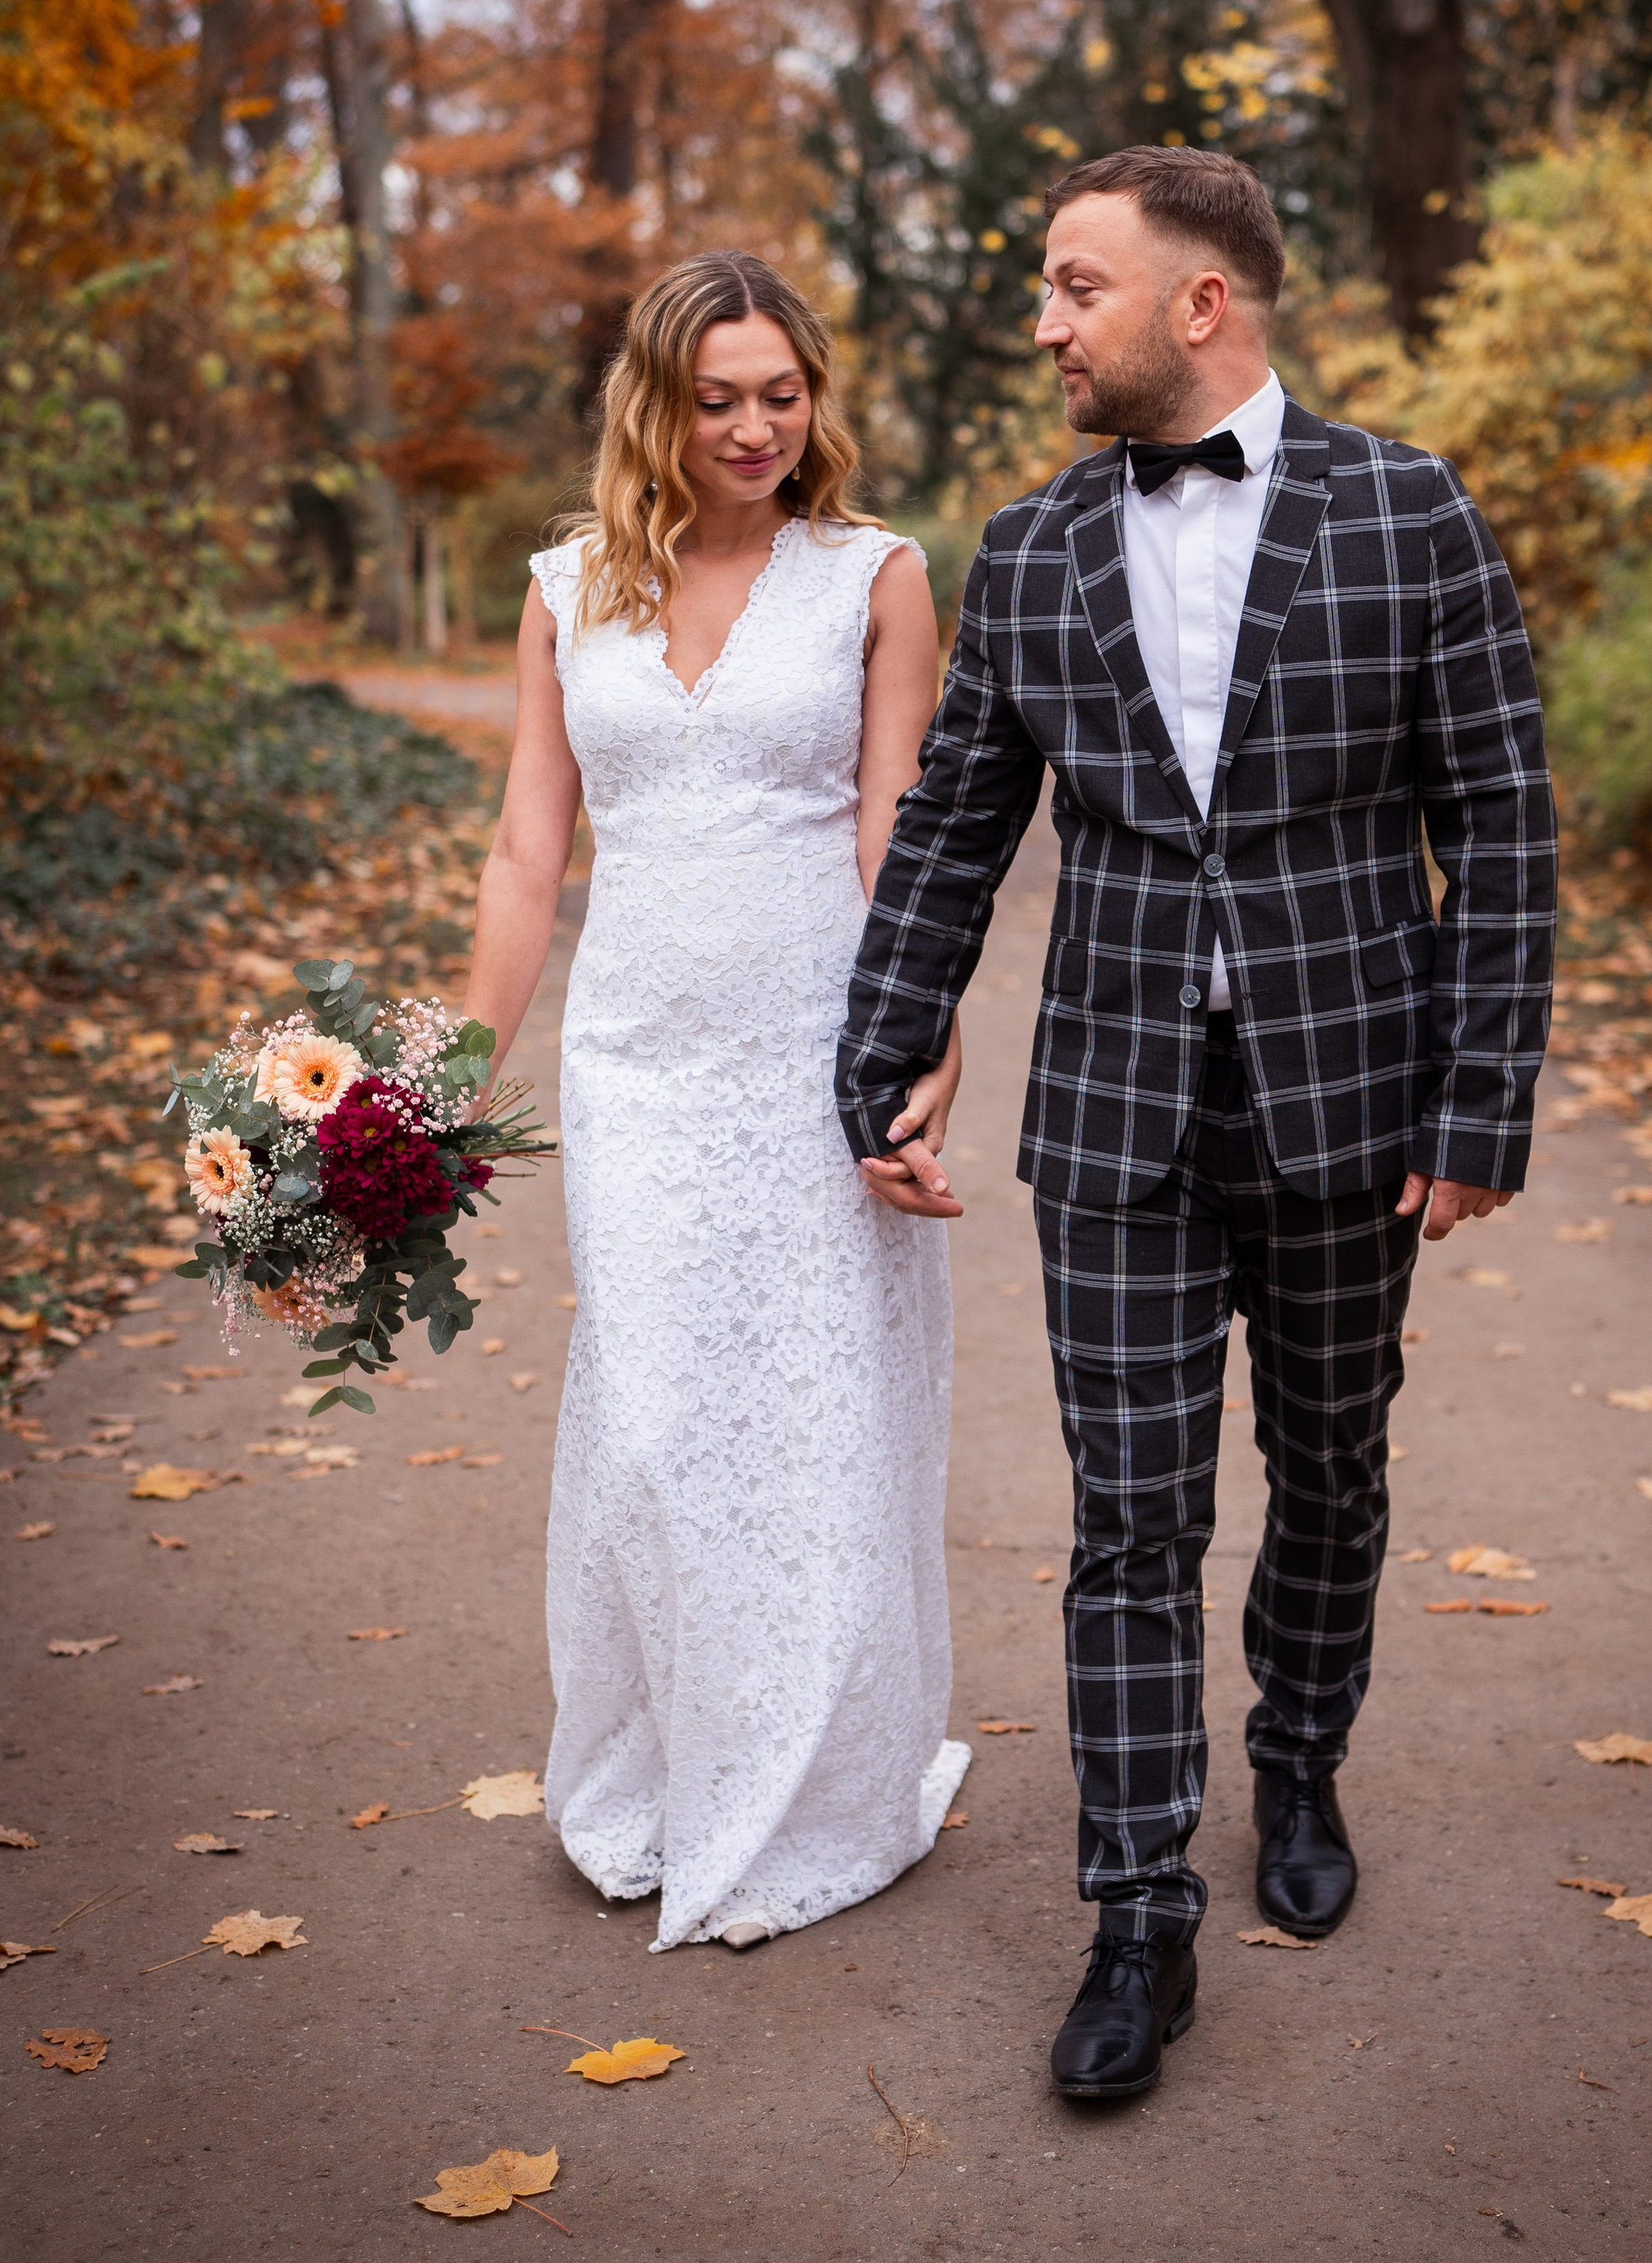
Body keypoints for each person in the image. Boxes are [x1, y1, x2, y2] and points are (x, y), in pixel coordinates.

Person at [837, 148, 1556, 2096]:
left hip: (1353, 1090)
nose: (1046, 323)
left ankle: (1299, 1766)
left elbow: (1493, 810)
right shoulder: (1032, 545)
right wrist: (876, 1051)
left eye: (1076, 287)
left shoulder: (1407, 511)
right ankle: (1135, 1909)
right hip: (1115, 1109)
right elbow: (957, 825)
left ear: (1199, 303)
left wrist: (1480, 1091)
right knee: (1129, 1517)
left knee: (1329, 1467)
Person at [464, 250, 969, 1952]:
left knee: (819, 1419)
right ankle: (664, 1768)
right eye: (718, 397)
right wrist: (452, 1076)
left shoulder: (875, 578)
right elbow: (533, 843)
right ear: (655, 407)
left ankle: (819, 1792)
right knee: (660, 1425)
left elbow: (893, 831)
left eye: (782, 392)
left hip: (812, 1044)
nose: (756, 426)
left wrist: (923, 1038)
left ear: (812, 395)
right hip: (633, 1061)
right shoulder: (564, 588)